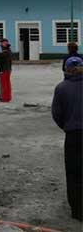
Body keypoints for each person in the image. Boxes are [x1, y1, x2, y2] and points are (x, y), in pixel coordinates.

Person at [51, 56, 83, 221]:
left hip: (72, 136)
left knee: (73, 173)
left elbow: (56, 114)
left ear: (66, 69)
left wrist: (67, 126)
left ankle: (77, 211)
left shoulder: (61, 88)